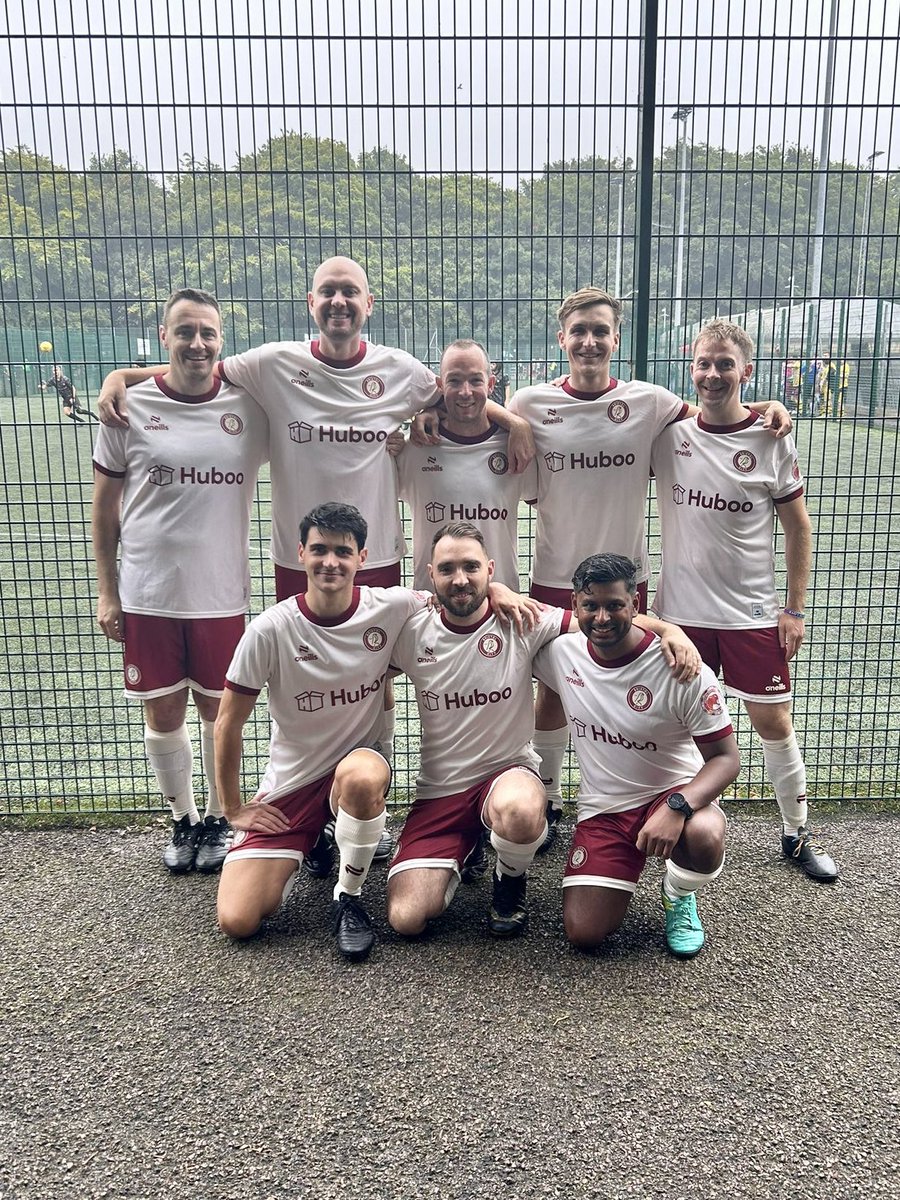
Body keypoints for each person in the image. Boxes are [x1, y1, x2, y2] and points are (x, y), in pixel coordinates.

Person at [96, 258, 535, 855]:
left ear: (368, 303)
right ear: (311, 302)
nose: (339, 303)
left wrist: (510, 418)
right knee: (298, 685)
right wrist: (123, 374)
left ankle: (361, 809)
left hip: (376, 555)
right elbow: (193, 366)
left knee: (374, 687)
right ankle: (301, 803)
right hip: (299, 558)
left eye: (350, 292)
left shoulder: (399, 371)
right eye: (328, 292)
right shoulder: (274, 364)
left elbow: (460, 395)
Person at [506, 287, 791, 852]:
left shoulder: (650, 401)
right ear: (562, 338)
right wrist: (506, 419)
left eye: (601, 331)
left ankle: (651, 799)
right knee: (555, 693)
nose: (590, 340)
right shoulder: (530, 402)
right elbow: (486, 417)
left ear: (616, 339)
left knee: (634, 690)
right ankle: (552, 801)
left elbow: (715, 414)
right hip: (554, 577)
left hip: (623, 584)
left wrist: (765, 410)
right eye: (579, 330)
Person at [213, 503, 534, 960]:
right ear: (299, 553)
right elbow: (228, 722)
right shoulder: (270, 629)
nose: (331, 562)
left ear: (361, 558)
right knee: (238, 921)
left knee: (363, 777)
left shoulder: (391, 605)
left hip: (357, 767)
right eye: (320, 549)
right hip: (293, 782)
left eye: (343, 551)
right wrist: (232, 807)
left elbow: (458, 593)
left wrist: (498, 588)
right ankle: (318, 840)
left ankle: (348, 898)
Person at [650, 319, 838, 882]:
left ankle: (796, 834)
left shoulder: (770, 438)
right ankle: (671, 829)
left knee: (772, 722)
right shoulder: (669, 433)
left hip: (752, 613)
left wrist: (794, 608)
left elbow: (799, 529)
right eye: (704, 363)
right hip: (680, 615)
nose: (712, 374)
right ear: (692, 369)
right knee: (674, 726)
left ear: (745, 371)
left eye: (725, 364)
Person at [91, 288, 268, 874]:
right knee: (163, 713)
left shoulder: (249, 407)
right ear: (164, 337)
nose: (196, 343)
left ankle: (220, 819)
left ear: (221, 342)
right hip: (148, 592)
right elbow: (105, 506)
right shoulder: (131, 406)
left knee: (222, 712)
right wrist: (108, 589)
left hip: (219, 592)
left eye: (207, 333)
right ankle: (183, 819)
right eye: (184, 331)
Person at [533, 554, 740, 957]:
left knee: (705, 835)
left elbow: (726, 760)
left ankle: (678, 894)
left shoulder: (682, 668)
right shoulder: (561, 654)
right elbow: (496, 617)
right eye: (591, 606)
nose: (603, 618)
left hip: (672, 794)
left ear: (636, 605)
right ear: (574, 606)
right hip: (605, 809)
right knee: (585, 933)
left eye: (615, 605)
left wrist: (678, 807)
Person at [396, 340, 538, 590]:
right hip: (434, 606)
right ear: (439, 386)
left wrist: (519, 424)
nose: (465, 392)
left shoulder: (515, 446)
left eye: (475, 380)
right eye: (454, 381)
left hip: (499, 604)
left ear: (491, 384)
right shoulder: (415, 448)